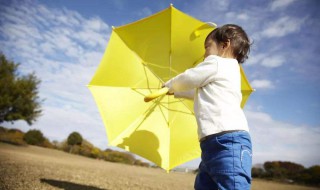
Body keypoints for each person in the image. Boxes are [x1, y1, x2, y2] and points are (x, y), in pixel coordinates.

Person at [163, 24, 252, 190]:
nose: (204, 54)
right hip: (211, 143)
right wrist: (176, 93)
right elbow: (198, 92)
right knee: (205, 184)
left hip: (228, 141)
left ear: (224, 45)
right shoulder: (228, 72)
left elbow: (189, 78)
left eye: (207, 47)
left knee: (231, 184)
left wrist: (169, 85)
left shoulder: (217, 63)